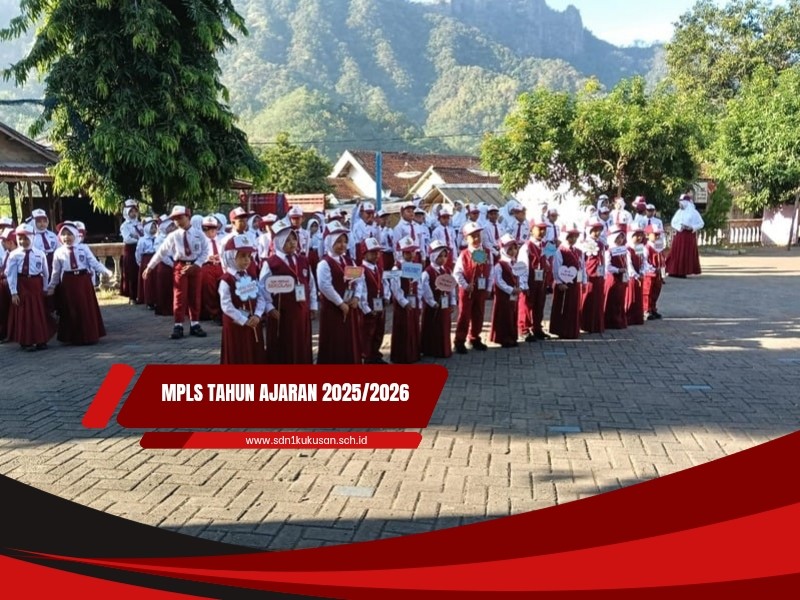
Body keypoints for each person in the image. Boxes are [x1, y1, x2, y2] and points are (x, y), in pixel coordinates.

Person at [143, 206, 209, 340]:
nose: (177, 221)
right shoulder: (173, 236)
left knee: (195, 295)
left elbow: (205, 251)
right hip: (180, 265)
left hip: (195, 265)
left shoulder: (199, 234)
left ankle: (195, 323)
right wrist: (150, 267)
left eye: (180, 217)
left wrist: (197, 264)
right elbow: (161, 251)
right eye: (174, 219)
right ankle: (178, 325)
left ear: (188, 217)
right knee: (179, 296)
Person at [260, 220, 318, 364]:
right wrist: (269, 308)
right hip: (282, 313)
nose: (292, 243)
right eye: (287, 240)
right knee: (284, 346)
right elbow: (262, 288)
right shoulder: (271, 263)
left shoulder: (303, 260)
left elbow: (311, 284)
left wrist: (313, 305)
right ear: (279, 241)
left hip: (301, 311)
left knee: (301, 344)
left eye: (294, 239)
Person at [46, 222, 111, 345]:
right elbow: (56, 272)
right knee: (71, 308)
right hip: (68, 282)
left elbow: (93, 262)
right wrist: (51, 286)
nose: (67, 237)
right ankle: (73, 337)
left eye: (69, 234)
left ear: (76, 235)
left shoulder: (83, 248)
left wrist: (105, 271)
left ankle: (89, 336)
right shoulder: (58, 252)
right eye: (64, 234)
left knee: (85, 308)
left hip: (83, 281)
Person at [316, 221, 364, 364]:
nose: (342, 245)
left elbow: (359, 280)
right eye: (338, 242)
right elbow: (325, 286)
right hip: (333, 309)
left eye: (344, 241)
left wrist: (357, 297)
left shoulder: (349, 261)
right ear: (329, 242)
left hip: (350, 306)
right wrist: (340, 303)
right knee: (335, 340)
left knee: (350, 338)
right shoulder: (324, 263)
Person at [218, 235, 267, 364]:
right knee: (238, 352)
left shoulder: (250, 276)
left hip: (253, 322)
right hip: (236, 325)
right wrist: (243, 320)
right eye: (242, 256)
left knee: (253, 351)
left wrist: (257, 315)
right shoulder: (226, 280)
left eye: (249, 256)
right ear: (231, 257)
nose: (247, 260)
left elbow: (261, 297)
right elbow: (226, 305)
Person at [5, 225, 55, 350]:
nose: (23, 241)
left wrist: (45, 287)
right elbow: (11, 274)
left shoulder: (40, 253)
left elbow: (45, 272)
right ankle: (26, 340)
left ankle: (40, 339)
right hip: (23, 285)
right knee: (25, 313)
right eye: (20, 239)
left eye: (26, 238)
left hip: (36, 285)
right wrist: (14, 292)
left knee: (38, 312)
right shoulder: (14, 255)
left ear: (32, 237)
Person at [453, 221, 493, 354]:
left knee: (479, 314)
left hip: (481, 289)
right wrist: (465, 285)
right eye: (473, 236)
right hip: (467, 291)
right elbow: (457, 273)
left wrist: (489, 288)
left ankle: (475, 337)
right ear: (466, 238)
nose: (476, 238)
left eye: (478, 235)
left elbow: (490, 270)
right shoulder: (464, 254)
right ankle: (459, 341)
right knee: (464, 315)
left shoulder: (486, 252)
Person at [549, 224, 585, 340]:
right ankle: (562, 330)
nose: (573, 239)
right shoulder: (561, 251)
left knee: (573, 306)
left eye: (575, 237)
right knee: (564, 306)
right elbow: (556, 267)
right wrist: (559, 282)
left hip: (575, 283)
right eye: (571, 237)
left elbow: (582, 267)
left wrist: (584, 280)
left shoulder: (579, 251)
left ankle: (572, 329)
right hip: (565, 283)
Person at [389, 236, 422, 364]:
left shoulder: (415, 266)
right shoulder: (396, 268)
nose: (411, 255)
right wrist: (403, 301)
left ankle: (414, 353)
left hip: (413, 301)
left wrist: (419, 302)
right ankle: (402, 355)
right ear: (402, 253)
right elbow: (395, 287)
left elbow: (418, 284)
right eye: (408, 252)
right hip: (402, 304)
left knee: (413, 326)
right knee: (403, 327)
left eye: (413, 252)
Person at [420, 240, 455, 359]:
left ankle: (444, 348)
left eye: (445, 256)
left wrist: (452, 302)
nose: (443, 259)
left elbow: (452, 287)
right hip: (433, 306)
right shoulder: (427, 272)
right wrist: (432, 302)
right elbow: (425, 289)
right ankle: (431, 349)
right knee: (433, 326)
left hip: (444, 305)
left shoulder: (447, 271)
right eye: (440, 256)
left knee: (444, 326)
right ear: (433, 256)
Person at [491, 235, 526, 348]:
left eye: (515, 248)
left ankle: (512, 336)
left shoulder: (515, 263)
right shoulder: (500, 265)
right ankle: (504, 338)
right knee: (504, 315)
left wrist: (520, 287)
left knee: (512, 314)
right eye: (509, 249)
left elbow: (520, 276)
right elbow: (498, 281)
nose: (513, 251)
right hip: (504, 296)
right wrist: (510, 289)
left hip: (513, 295)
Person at [518, 218, 551, 342]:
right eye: (540, 229)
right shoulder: (526, 247)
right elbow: (523, 266)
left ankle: (537, 328)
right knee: (526, 305)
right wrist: (524, 284)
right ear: (532, 230)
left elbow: (547, 261)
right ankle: (524, 329)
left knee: (539, 304)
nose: (543, 232)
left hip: (541, 280)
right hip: (530, 280)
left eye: (544, 229)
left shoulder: (544, 245)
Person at [359, 237, 390, 364]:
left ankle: (375, 354)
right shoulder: (361, 270)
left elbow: (385, 283)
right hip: (368, 307)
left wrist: (387, 296)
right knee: (367, 332)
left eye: (378, 252)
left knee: (379, 330)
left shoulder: (378, 268)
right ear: (364, 253)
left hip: (379, 305)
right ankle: (367, 356)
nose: (377, 255)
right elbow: (361, 291)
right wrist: (366, 308)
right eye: (373, 252)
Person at [579, 217, 607, 335]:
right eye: (595, 230)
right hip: (589, 275)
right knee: (588, 298)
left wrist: (603, 272)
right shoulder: (584, 244)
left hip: (599, 275)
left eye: (599, 230)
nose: (597, 233)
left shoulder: (601, 243)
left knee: (598, 299)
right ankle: (586, 324)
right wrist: (583, 276)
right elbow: (581, 260)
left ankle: (596, 324)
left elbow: (603, 258)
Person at [666, 195, 704, 278]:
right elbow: (673, 222)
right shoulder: (679, 212)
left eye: (681, 202)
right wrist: (680, 227)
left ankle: (683, 272)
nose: (679, 204)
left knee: (685, 253)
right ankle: (673, 270)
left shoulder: (694, 212)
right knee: (675, 252)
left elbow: (701, 223)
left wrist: (692, 227)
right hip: (680, 234)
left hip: (689, 236)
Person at [604, 225, 632, 330]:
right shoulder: (609, 251)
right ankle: (611, 321)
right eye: (618, 238)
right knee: (612, 300)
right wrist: (618, 270)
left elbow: (628, 263)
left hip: (622, 279)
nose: (620, 240)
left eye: (621, 237)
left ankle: (619, 320)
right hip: (613, 279)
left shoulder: (624, 251)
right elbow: (607, 266)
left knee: (620, 300)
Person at [199, 216, 224, 323]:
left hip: (220, 266)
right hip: (207, 266)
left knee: (222, 288)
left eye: (214, 228)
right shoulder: (200, 241)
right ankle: (214, 313)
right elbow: (196, 255)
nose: (211, 231)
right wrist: (207, 258)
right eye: (207, 228)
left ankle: (222, 312)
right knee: (209, 290)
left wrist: (220, 257)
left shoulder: (222, 239)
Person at [119, 200, 143, 302]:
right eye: (131, 211)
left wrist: (137, 237)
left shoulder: (140, 224)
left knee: (139, 272)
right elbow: (127, 239)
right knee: (131, 273)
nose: (133, 213)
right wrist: (139, 239)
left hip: (140, 249)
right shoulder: (125, 225)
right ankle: (132, 296)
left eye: (135, 211)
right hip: (130, 250)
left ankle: (140, 295)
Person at [643, 223, 666, 320]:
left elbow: (662, 259)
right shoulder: (646, 247)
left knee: (656, 291)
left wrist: (663, 270)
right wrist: (652, 268)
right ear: (648, 235)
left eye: (658, 234)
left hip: (658, 273)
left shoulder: (659, 247)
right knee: (647, 292)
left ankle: (653, 308)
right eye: (655, 234)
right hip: (649, 274)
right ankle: (646, 310)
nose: (657, 236)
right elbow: (644, 261)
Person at [625, 226, 647, 326]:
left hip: (639, 275)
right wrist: (635, 275)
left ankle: (637, 317)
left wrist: (642, 272)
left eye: (641, 235)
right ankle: (629, 317)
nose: (639, 238)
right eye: (636, 236)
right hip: (631, 277)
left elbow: (643, 261)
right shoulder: (627, 249)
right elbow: (628, 264)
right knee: (631, 296)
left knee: (638, 297)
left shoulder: (639, 247)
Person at [135, 217, 158, 307]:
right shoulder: (142, 240)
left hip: (155, 259)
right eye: (152, 228)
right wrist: (140, 263)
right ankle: (149, 300)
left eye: (155, 227)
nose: (154, 229)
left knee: (156, 280)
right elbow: (138, 252)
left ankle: (156, 299)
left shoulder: (157, 238)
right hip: (146, 260)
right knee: (148, 281)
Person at [0, 228, 17, 342]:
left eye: (4, 241)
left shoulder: (16, 255)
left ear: (11, 241)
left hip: (12, 286)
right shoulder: (6, 253)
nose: (2, 243)